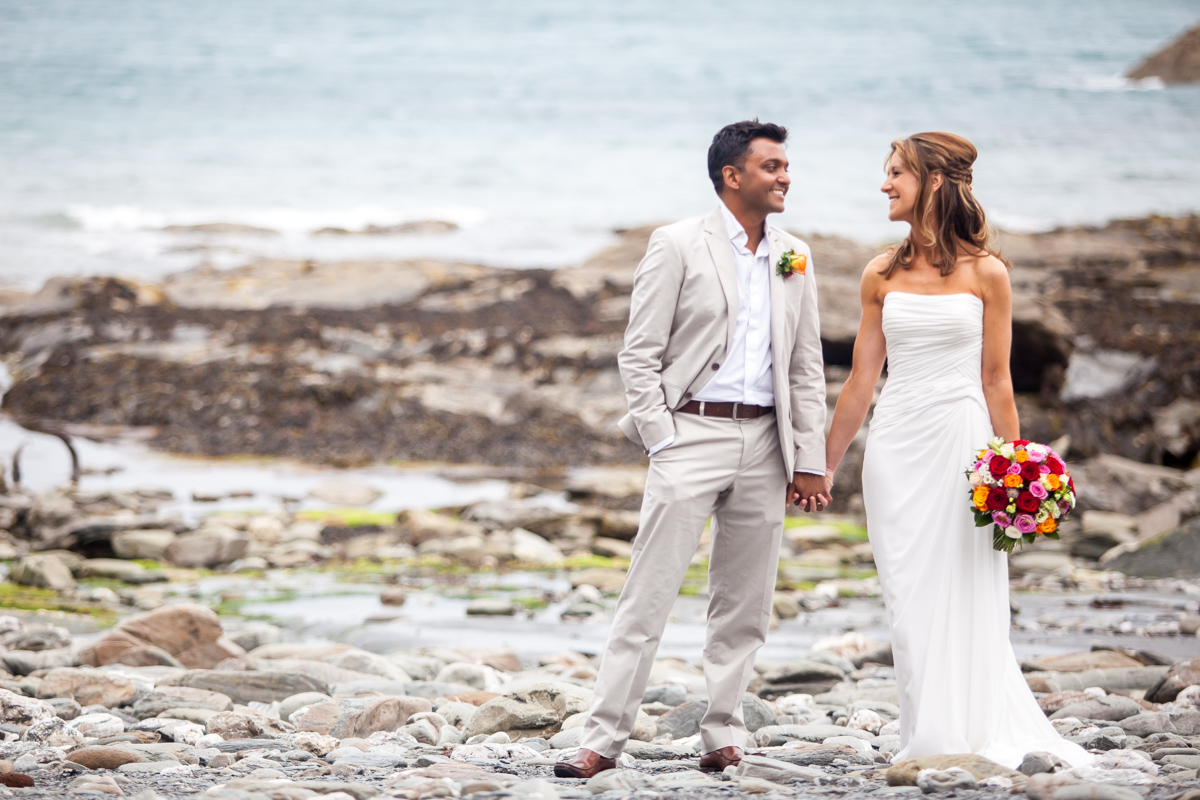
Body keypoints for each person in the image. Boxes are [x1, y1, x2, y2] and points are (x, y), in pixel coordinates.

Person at [553, 120, 831, 779]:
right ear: (732, 176)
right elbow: (639, 354)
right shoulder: (677, 244)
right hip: (690, 435)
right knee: (648, 596)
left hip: (767, 442)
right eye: (772, 166)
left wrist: (809, 456)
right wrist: (662, 437)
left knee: (745, 603)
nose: (785, 176)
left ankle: (723, 734)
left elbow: (806, 366)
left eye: (787, 165)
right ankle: (603, 738)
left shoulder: (796, 254)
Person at [822, 132, 1090, 768]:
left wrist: (1018, 468)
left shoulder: (988, 273)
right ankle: (927, 728)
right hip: (895, 441)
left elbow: (997, 380)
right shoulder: (879, 273)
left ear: (934, 183)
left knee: (963, 583)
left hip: (963, 442)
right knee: (907, 587)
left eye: (895, 174)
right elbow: (861, 380)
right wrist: (823, 465)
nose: (884, 184)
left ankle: (960, 733)